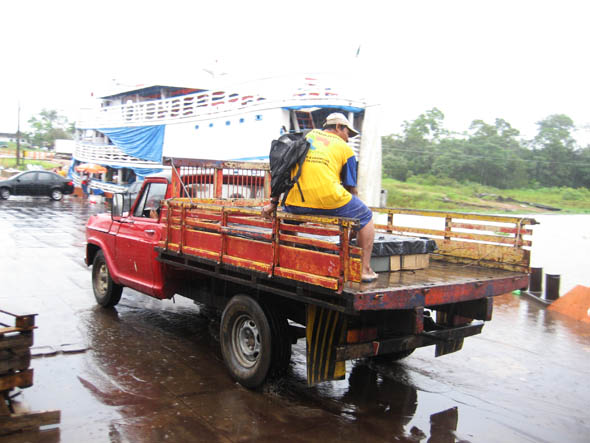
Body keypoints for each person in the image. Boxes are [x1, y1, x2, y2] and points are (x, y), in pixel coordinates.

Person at [262, 113, 377, 282]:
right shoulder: (346, 150)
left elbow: (283, 168)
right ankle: (364, 270)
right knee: (366, 216)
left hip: (295, 202)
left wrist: (273, 203)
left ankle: (288, 261)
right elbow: (351, 188)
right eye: (347, 134)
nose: (348, 139)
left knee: (290, 219)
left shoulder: (306, 136)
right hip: (328, 199)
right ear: (338, 127)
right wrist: (356, 221)